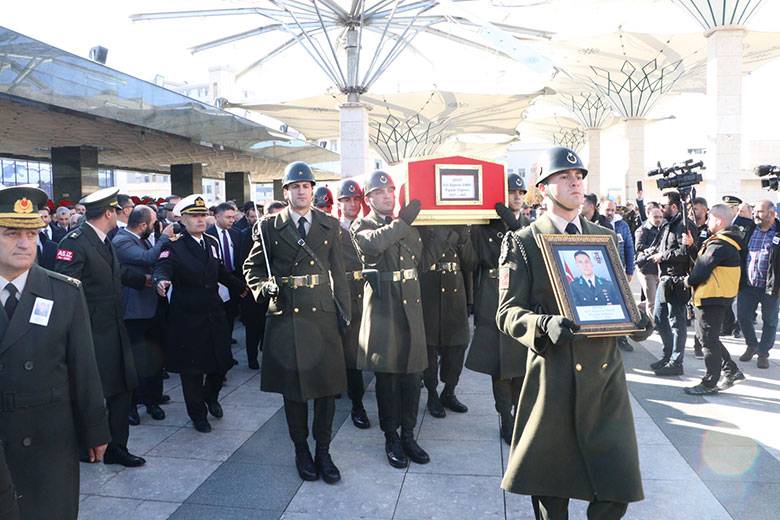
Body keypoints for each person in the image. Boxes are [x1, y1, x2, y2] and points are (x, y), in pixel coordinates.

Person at [496, 146, 652, 520]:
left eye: (579, 176)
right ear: (544, 187)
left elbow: (617, 298)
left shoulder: (603, 237)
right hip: (555, 377)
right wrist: (543, 325)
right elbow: (506, 313)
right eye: (564, 177)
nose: (575, 182)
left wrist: (637, 320)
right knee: (552, 493)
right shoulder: (525, 240)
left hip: (604, 379)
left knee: (616, 487)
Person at [0, 186, 110, 519]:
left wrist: (95, 429)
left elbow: (84, 367)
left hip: (48, 438)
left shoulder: (63, 293)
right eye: (10, 233)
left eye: (31, 233)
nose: (24, 243)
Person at [243, 161, 350, 484]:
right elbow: (253, 269)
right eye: (295, 186)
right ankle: (301, 450)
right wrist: (264, 287)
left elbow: (340, 275)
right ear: (286, 191)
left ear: (312, 191)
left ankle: (324, 451)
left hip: (322, 316)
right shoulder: (267, 226)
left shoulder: (330, 225)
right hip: (286, 314)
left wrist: (346, 315)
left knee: (326, 389)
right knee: (294, 392)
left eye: (306, 186)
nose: (301, 191)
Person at [54, 187, 145, 468]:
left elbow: (111, 277)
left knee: (121, 388)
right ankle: (86, 446)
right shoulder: (75, 242)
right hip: (90, 332)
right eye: (117, 212)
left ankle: (117, 447)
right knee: (91, 391)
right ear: (108, 213)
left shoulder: (104, 240)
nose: (119, 217)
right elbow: (65, 290)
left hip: (113, 328)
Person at [351, 170, 430, 469]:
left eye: (391, 190)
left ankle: (409, 434)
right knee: (388, 377)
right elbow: (372, 245)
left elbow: (419, 257)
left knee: (412, 375)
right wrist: (403, 222)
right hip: (385, 309)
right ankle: (391, 436)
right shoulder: (363, 225)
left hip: (410, 306)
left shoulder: (405, 225)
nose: (388, 195)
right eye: (381, 192)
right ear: (369, 198)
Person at [153, 195, 244, 433]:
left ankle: (211, 397)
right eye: (194, 216)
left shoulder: (211, 243)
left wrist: (243, 288)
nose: (201, 219)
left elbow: (221, 272)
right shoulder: (173, 246)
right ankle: (198, 414)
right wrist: (161, 281)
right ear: (182, 219)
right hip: (188, 318)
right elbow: (163, 268)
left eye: (203, 215)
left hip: (214, 313)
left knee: (221, 364)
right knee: (192, 371)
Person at [466, 173, 530, 444]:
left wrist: (514, 225)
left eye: (520, 192)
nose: (517, 196)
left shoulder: (528, 225)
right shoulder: (485, 227)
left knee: (521, 363)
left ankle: (518, 411)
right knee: (500, 364)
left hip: (522, 298)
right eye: (512, 192)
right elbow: (475, 261)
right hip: (493, 296)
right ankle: (505, 417)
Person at [113, 205, 174, 423]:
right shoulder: (122, 241)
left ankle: (153, 400)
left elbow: (158, 263)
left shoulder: (146, 239)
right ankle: (131, 405)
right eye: (153, 222)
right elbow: (148, 258)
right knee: (135, 362)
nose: (156, 225)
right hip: (134, 312)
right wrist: (164, 238)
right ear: (142, 225)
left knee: (155, 357)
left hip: (154, 307)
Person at [683, 204, 745, 395]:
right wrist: (692, 246)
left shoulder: (720, 244)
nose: (707, 221)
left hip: (712, 297)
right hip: (715, 296)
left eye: (710, 218)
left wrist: (687, 280)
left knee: (708, 340)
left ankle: (710, 382)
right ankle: (731, 370)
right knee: (708, 337)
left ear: (718, 221)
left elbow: (700, 272)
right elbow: (705, 263)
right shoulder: (723, 242)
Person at [417, 222, 476, 418]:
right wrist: (445, 234)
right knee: (430, 348)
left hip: (455, 293)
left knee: (458, 346)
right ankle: (432, 394)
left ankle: (449, 392)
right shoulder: (422, 225)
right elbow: (422, 262)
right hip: (430, 292)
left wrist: (464, 236)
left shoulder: (460, 224)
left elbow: (469, 264)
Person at [646, 191, 697, 376]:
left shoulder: (685, 224)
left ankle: (677, 362)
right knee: (659, 319)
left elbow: (686, 253)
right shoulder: (669, 224)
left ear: (674, 207)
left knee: (677, 322)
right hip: (665, 278)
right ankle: (668, 356)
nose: (661, 208)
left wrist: (663, 256)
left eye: (664, 205)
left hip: (678, 279)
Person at [336, 179, 371, 429]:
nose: (352, 204)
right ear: (339, 204)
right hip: (347, 295)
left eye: (355, 199)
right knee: (351, 355)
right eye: (346, 200)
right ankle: (357, 404)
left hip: (370, 293)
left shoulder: (369, 227)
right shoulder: (333, 231)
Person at [237, 201, 283, 369]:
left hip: (276, 291)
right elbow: (246, 263)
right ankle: (252, 358)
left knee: (269, 328)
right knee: (253, 328)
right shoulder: (250, 234)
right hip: (254, 290)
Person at [737, 200, 780, 369]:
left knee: (769, 321)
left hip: (771, 286)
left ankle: (763, 353)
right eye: (754, 211)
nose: (755, 214)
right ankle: (752, 344)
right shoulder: (750, 229)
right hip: (748, 285)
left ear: (772, 214)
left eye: (760, 211)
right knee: (742, 316)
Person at [206, 202, 247, 346]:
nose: (232, 220)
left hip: (233, 279)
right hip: (216, 280)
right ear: (217, 216)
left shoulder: (236, 234)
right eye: (228, 217)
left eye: (233, 217)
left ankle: (227, 340)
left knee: (231, 313)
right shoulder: (208, 235)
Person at [634, 206, 663, 317]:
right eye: (655, 217)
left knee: (656, 298)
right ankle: (656, 325)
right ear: (649, 216)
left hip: (658, 269)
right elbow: (639, 246)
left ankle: (634, 309)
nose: (658, 219)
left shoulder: (661, 229)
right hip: (646, 269)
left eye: (660, 217)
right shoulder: (642, 229)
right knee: (652, 301)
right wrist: (655, 249)